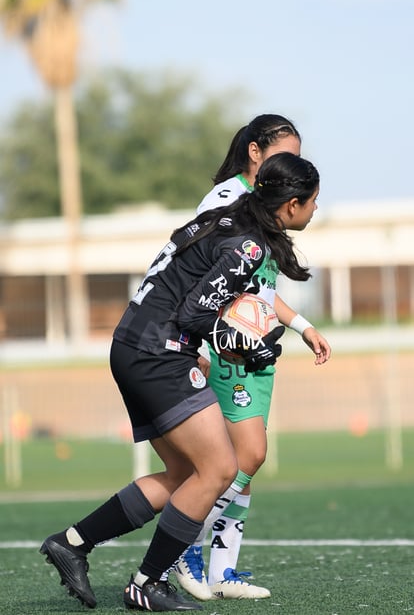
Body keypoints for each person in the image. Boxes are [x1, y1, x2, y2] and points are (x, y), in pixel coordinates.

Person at [39, 151, 319, 612]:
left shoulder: (223, 218)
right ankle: (147, 583)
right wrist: (247, 343)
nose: (315, 210)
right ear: (291, 205)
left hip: (135, 345)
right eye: (313, 202)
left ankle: (71, 544)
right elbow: (194, 314)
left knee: (185, 475)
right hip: (157, 353)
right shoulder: (248, 246)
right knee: (220, 468)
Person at [174, 115, 331, 601]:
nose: (294, 164)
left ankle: (223, 571)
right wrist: (199, 343)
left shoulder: (264, 211)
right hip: (227, 345)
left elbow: (261, 289)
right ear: (256, 153)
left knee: (247, 459)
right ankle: (183, 548)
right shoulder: (227, 202)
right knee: (241, 456)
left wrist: (300, 326)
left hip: (257, 346)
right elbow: (201, 276)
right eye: (286, 154)